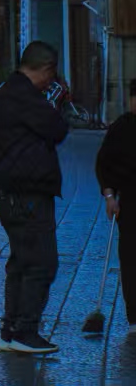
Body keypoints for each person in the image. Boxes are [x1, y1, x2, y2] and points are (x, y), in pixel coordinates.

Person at [0, 39, 67, 356]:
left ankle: (10, 330)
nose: (51, 82)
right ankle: (25, 331)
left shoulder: (6, 92)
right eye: (51, 75)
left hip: (11, 192)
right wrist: (55, 101)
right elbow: (57, 129)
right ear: (46, 69)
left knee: (21, 261)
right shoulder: (26, 96)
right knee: (41, 262)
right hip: (27, 192)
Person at [96, 79, 136, 328]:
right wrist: (109, 196)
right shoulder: (121, 128)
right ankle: (135, 316)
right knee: (131, 259)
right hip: (131, 203)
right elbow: (104, 164)